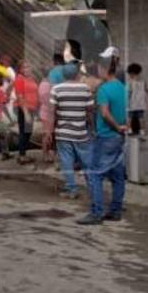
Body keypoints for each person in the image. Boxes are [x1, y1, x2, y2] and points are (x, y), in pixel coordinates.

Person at [79, 59, 129, 225]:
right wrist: (122, 128)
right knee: (117, 176)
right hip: (119, 137)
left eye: (100, 67)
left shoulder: (104, 90)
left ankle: (96, 212)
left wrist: (115, 127)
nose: (98, 70)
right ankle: (115, 210)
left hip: (107, 136)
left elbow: (105, 114)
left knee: (93, 174)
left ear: (106, 69)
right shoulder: (122, 88)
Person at [50, 63, 95, 199]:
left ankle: (71, 189)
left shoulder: (56, 89)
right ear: (77, 74)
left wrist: (51, 130)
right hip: (81, 132)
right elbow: (90, 111)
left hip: (63, 132)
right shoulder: (85, 89)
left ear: (63, 75)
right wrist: (91, 127)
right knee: (86, 161)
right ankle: (93, 188)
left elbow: (53, 112)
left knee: (66, 161)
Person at [13, 61, 39, 164]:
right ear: (20, 69)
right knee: (24, 132)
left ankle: (23, 154)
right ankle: (22, 156)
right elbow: (20, 97)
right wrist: (26, 113)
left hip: (31, 108)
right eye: (24, 67)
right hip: (23, 108)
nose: (27, 69)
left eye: (28, 67)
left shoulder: (30, 78)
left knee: (28, 132)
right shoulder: (19, 79)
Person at [125, 63, 148, 135]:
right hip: (141, 103)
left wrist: (126, 101)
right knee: (141, 118)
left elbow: (129, 92)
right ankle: (142, 130)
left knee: (129, 117)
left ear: (131, 73)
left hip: (132, 103)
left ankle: (129, 129)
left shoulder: (130, 82)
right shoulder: (143, 81)